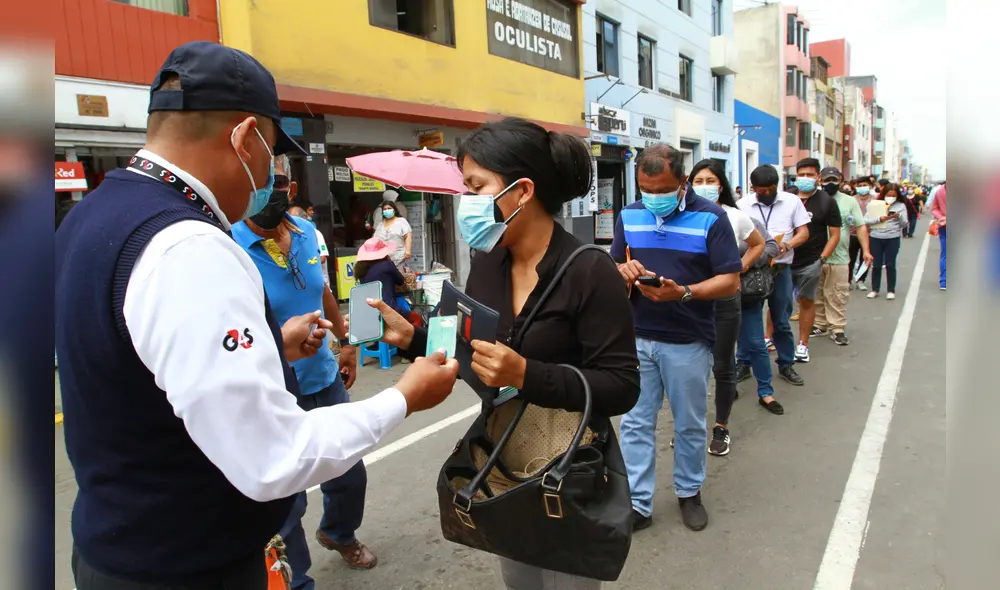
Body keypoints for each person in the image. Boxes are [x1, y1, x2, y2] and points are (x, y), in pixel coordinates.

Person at [54, 41, 459, 590]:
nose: (273, 173)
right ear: (245, 139)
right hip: (190, 566)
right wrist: (404, 396)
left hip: (118, 547)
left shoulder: (92, 216)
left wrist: (271, 343)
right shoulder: (189, 246)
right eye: (272, 151)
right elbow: (275, 458)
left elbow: (142, 365)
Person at [363, 117, 640, 590]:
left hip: (564, 471)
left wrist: (529, 373)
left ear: (522, 190)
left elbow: (621, 387)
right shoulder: (488, 262)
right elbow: (473, 355)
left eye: (475, 186)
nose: (465, 202)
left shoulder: (590, 271)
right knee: (521, 579)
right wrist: (413, 339)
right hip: (502, 462)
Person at [231, 157, 380, 586]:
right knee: (287, 499)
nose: (267, 189)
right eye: (258, 181)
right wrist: (280, 341)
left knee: (348, 471)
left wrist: (347, 345)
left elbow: (324, 291)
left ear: (290, 189)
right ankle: (297, 580)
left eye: (275, 181)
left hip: (325, 377)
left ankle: (338, 533)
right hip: (276, 390)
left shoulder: (306, 235)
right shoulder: (230, 247)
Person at [613, 144, 742, 532]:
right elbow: (617, 260)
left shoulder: (712, 217)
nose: (653, 198)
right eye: (645, 189)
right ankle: (638, 503)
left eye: (662, 190)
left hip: (687, 339)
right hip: (637, 337)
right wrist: (622, 269)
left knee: (689, 423)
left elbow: (730, 280)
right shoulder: (629, 214)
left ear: (683, 183)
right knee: (635, 423)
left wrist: (682, 292)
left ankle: (689, 492)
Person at [688, 159, 770, 456]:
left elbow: (759, 244)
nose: (705, 186)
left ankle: (721, 427)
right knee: (690, 366)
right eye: (699, 180)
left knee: (723, 364)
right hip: (690, 299)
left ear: (721, 185)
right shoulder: (683, 215)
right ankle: (690, 428)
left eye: (711, 180)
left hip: (724, 301)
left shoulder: (735, 216)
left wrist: (739, 269)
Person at [737, 165, 810, 387]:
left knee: (781, 319)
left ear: (777, 186)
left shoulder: (792, 202)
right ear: (753, 188)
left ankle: (786, 364)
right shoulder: (742, 205)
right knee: (748, 320)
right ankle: (743, 362)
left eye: (770, 189)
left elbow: (803, 233)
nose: (765, 193)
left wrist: (787, 245)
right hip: (753, 271)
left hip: (780, 269)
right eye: (761, 190)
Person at [787, 158, 841, 363]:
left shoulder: (827, 201)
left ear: (818, 177)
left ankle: (802, 345)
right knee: (778, 303)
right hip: (784, 260)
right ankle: (769, 338)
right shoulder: (787, 197)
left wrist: (822, 258)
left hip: (811, 262)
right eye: (802, 174)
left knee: (807, 302)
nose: (805, 178)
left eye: (810, 175)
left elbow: (834, 234)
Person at [811, 168, 873, 346]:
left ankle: (837, 328)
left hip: (839, 257)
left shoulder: (849, 202)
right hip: (815, 255)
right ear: (820, 179)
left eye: (834, 179)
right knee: (817, 293)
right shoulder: (812, 200)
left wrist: (866, 250)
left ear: (841, 180)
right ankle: (820, 324)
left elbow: (860, 226)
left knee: (837, 293)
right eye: (827, 179)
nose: (830, 183)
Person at [866, 183, 909, 300]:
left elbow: (905, 224)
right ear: (884, 194)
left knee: (890, 264)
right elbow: (866, 220)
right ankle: (875, 289)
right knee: (876, 264)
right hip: (876, 237)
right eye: (888, 195)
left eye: (893, 195)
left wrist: (898, 216)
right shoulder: (875, 204)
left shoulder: (901, 206)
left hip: (893, 237)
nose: (891, 197)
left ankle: (891, 290)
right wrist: (879, 219)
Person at [353, 237, 408, 317]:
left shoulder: (360, 269)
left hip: (369, 311)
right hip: (389, 310)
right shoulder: (387, 265)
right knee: (415, 317)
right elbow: (400, 281)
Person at [849, 177, 878, 290]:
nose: (862, 188)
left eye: (864, 185)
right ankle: (848, 280)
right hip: (852, 233)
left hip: (870, 233)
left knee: (865, 258)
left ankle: (861, 279)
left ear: (870, 186)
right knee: (850, 258)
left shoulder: (875, 200)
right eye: (859, 186)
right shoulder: (851, 199)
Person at [373, 199, 412, 268]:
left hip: (400, 258)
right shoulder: (380, 224)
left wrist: (408, 251)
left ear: (394, 209)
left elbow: (408, 236)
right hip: (384, 259)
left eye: (389, 208)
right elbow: (375, 240)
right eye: (384, 209)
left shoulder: (401, 221)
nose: (387, 210)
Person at [932, 181, 947, 290]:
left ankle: (944, 281)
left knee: (945, 254)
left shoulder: (940, 191)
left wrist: (941, 217)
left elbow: (934, 208)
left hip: (944, 225)